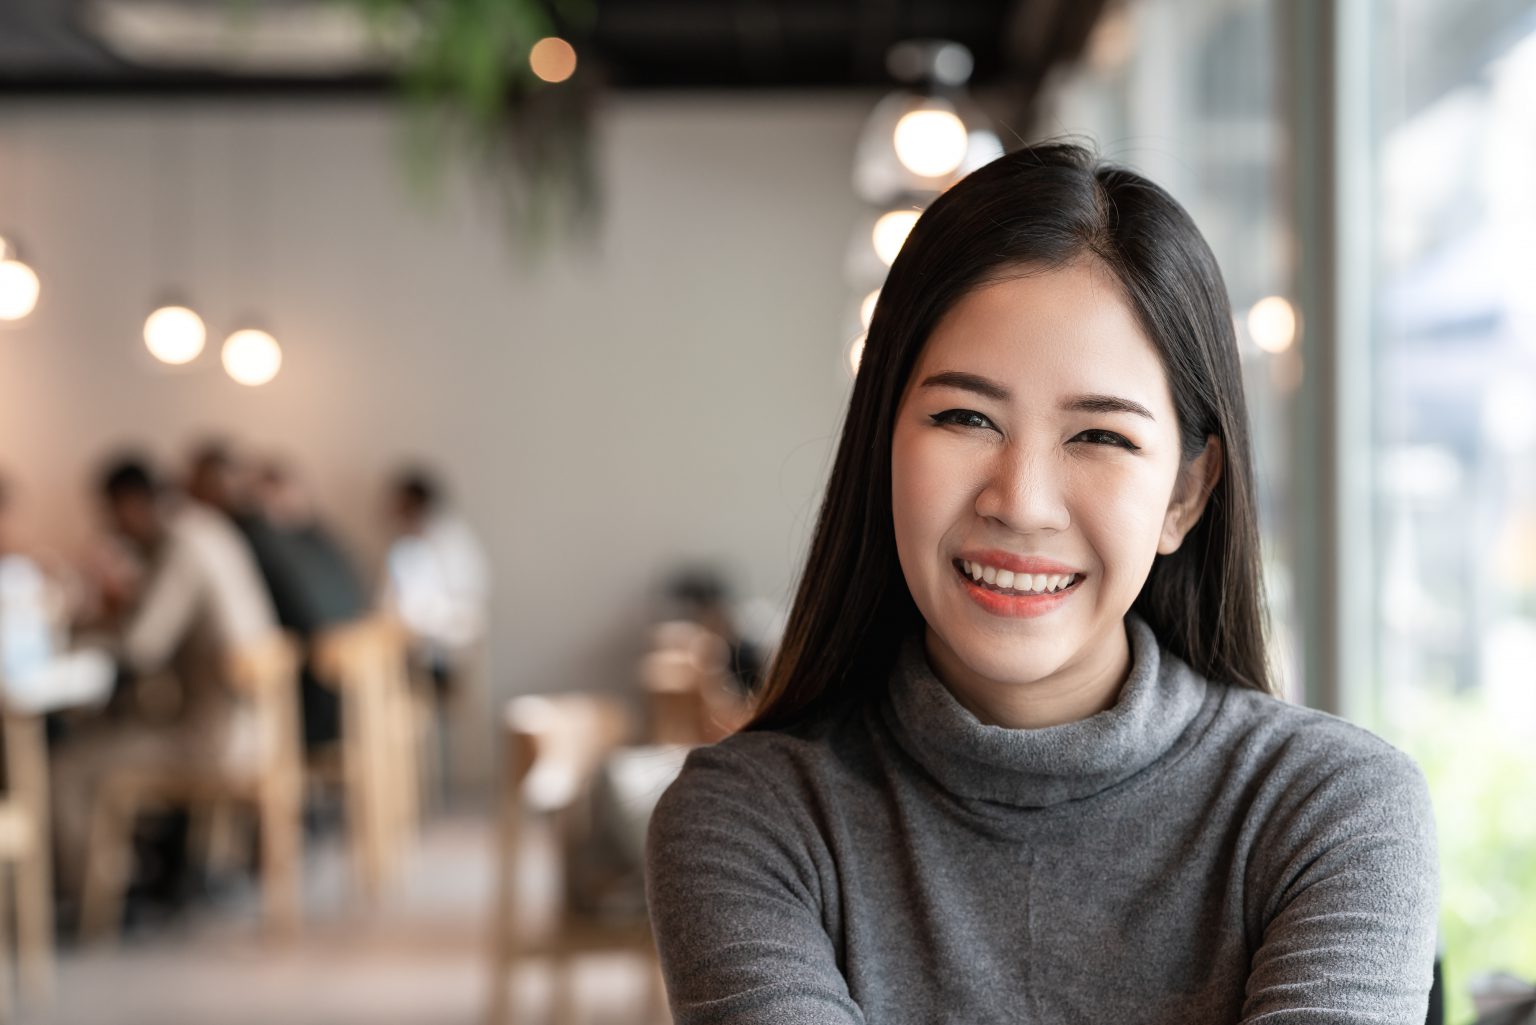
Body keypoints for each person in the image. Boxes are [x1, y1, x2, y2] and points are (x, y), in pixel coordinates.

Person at [645, 144, 1439, 1024]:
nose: (1021, 504)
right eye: (965, 416)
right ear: (883, 445)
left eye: (1099, 435)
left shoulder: (1334, 810)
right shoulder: (749, 822)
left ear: (1185, 491)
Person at [50, 456, 278, 903]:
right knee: (121, 727)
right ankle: (148, 869)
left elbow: (142, 647)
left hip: (218, 741)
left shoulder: (180, 544)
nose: (111, 528)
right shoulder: (207, 528)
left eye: (111, 515)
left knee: (69, 767)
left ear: (129, 504)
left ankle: (99, 898)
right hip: (261, 727)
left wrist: (75, 633)